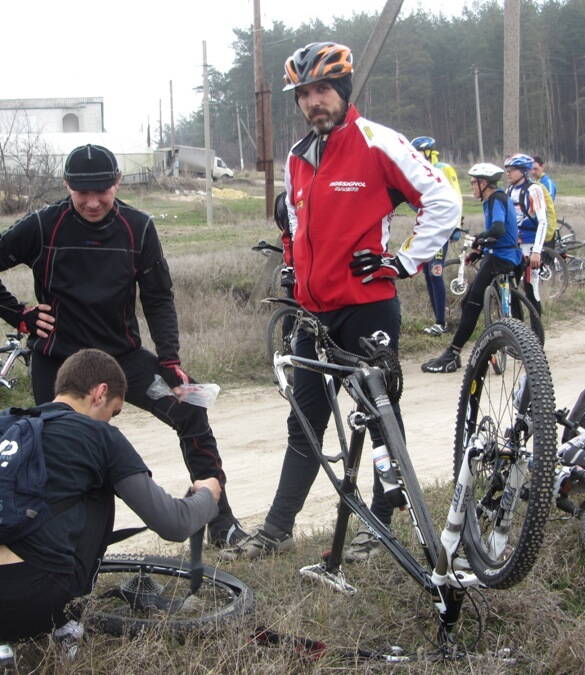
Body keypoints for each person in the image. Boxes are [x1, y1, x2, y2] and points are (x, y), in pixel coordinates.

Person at [220, 42, 460, 563]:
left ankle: (380, 524)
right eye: (304, 93)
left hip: (366, 307)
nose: (313, 101)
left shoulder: (378, 141)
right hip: (312, 314)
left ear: (344, 91)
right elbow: (295, 224)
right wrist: (292, 267)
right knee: (304, 422)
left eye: (323, 89)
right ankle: (278, 529)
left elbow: (443, 200)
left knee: (379, 417)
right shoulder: (297, 155)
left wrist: (405, 262)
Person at [0, 144, 245, 548]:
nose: (93, 202)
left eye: (102, 192)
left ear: (117, 183)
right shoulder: (44, 225)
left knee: (190, 410)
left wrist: (169, 358)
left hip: (122, 361)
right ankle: (57, 546)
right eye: (82, 193)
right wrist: (20, 316)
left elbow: (158, 298)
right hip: (61, 365)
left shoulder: (138, 227)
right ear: (67, 185)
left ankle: (221, 522)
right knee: (58, 452)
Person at [0, 348, 220, 673]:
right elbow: (174, 524)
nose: (110, 420)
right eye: (114, 412)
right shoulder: (99, 435)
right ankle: (67, 626)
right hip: (37, 603)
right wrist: (208, 494)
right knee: (102, 484)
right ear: (100, 393)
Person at [421, 164, 522, 373]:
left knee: (470, 304)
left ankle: (452, 354)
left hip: (500, 259)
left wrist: (478, 238)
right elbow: (500, 235)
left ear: (484, 183)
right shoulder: (496, 198)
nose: (472, 187)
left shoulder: (495, 199)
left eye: (474, 183)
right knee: (474, 301)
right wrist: (479, 250)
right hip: (505, 256)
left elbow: (498, 229)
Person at [411, 136, 463, 336]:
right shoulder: (419, 172)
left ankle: (441, 322)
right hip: (427, 229)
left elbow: (457, 197)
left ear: (427, 152)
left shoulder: (443, 169)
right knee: (427, 273)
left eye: (417, 153)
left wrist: (456, 226)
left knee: (435, 272)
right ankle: (437, 320)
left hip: (443, 229)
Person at [504, 153, 548, 317]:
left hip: (530, 246)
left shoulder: (534, 190)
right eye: (507, 170)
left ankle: (537, 329)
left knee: (531, 289)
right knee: (511, 289)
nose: (508, 173)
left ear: (523, 171)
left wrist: (536, 251)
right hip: (514, 246)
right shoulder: (509, 190)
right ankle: (518, 328)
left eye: (512, 170)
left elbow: (543, 222)